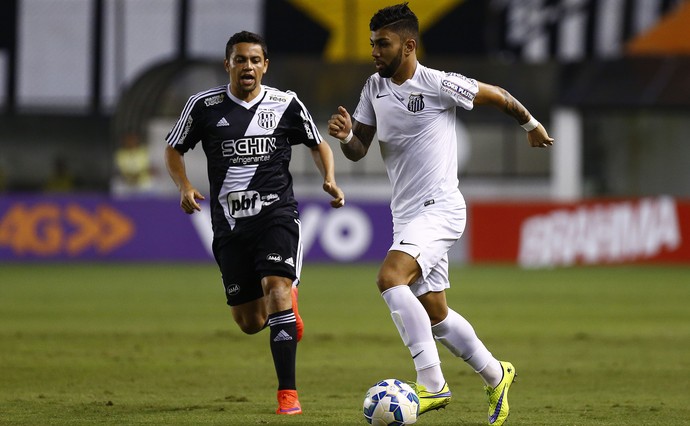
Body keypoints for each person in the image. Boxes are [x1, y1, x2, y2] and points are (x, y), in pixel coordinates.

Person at [328, 3, 554, 425]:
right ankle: (495, 373)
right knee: (436, 314)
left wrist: (532, 126)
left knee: (389, 278)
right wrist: (345, 139)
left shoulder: (438, 84)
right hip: (407, 213)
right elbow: (359, 149)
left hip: (441, 209)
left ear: (408, 45)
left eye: (383, 43)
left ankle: (432, 385)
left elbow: (499, 96)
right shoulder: (374, 88)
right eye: (373, 44)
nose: (375, 51)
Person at [165, 30, 345, 416]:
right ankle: (284, 308)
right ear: (227, 63)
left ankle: (288, 395)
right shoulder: (203, 106)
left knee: (277, 289)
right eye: (240, 59)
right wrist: (183, 185)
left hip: (276, 214)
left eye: (255, 60)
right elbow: (173, 147)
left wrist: (329, 176)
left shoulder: (285, 103)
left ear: (265, 65)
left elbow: (318, 143)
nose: (248, 66)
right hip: (229, 225)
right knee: (249, 321)